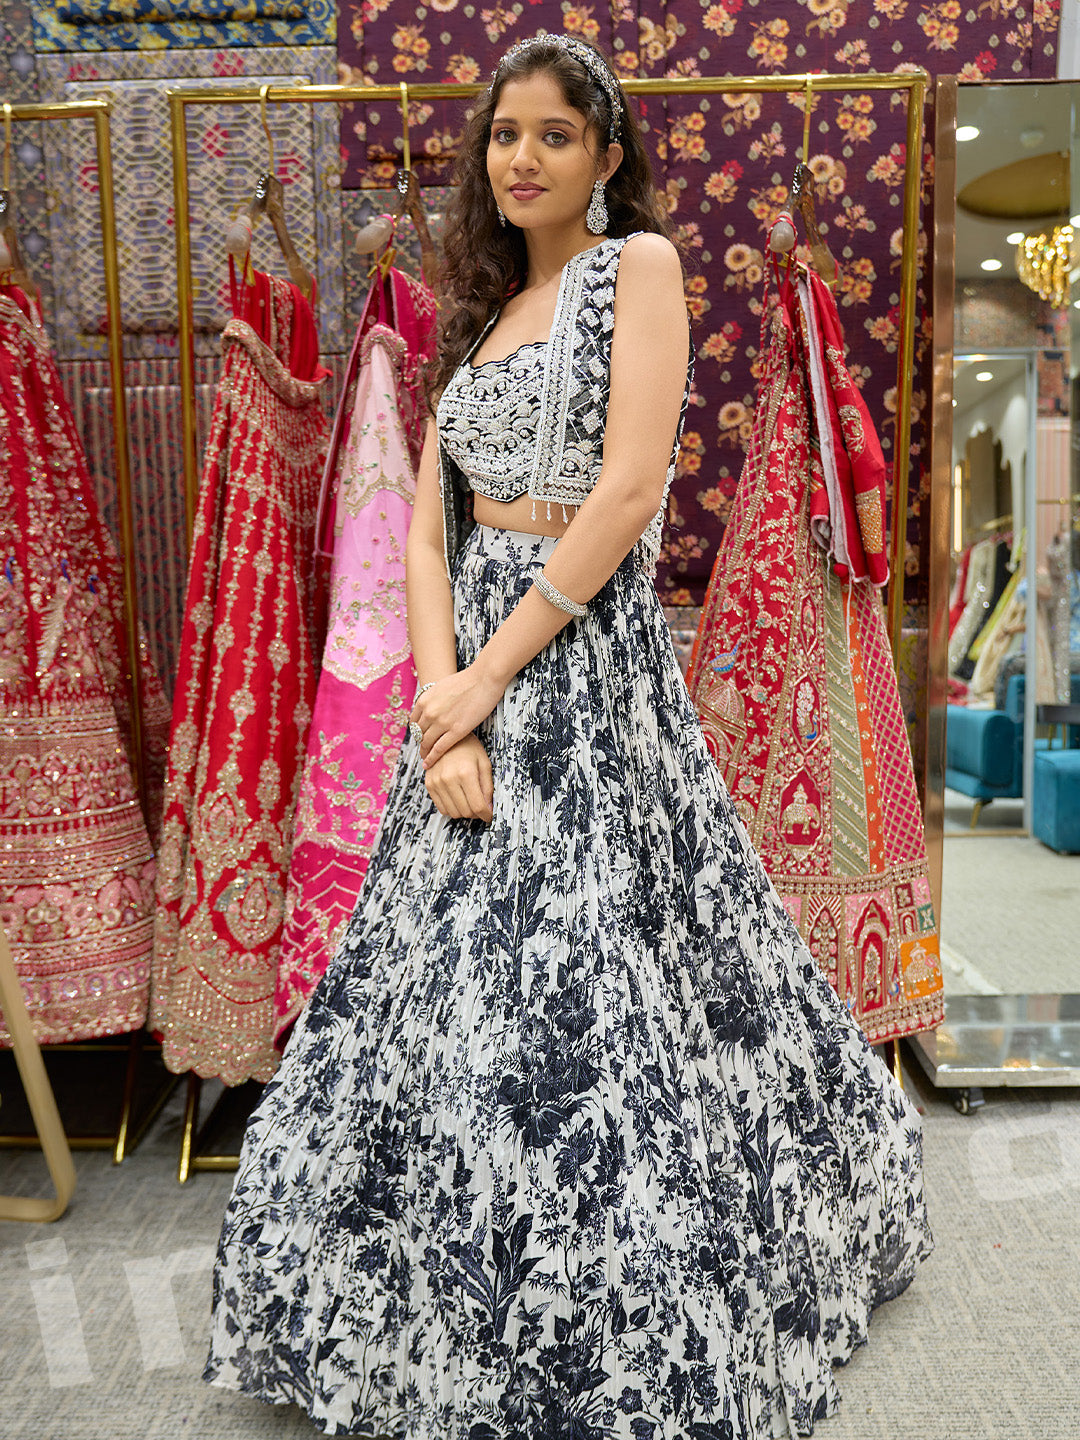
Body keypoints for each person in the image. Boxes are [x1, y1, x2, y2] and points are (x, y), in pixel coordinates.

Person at [204, 33, 932, 1440]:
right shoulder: (473, 321)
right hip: (472, 668)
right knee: (440, 982)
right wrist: (440, 707)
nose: (521, 157)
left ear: (606, 157)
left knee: (604, 977)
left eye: (553, 134)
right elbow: (425, 530)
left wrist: (490, 675)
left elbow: (629, 492)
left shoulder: (632, 272)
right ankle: (430, 1303)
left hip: (585, 668)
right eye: (502, 136)